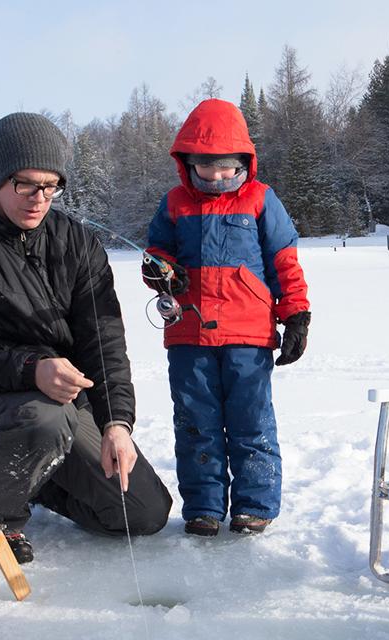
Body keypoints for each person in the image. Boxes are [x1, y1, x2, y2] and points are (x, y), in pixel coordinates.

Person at [0, 112, 173, 564]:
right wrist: (32, 369)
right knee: (44, 417)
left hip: (65, 409)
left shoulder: (78, 244)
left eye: (51, 186)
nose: (39, 199)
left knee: (144, 513)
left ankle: (33, 475)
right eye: (26, 184)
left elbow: (103, 344)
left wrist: (116, 424)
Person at [144, 98, 310, 537]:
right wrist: (158, 269)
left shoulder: (260, 199)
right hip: (188, 335)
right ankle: (203, 507)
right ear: (188, 164)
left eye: (227, 167)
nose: (217, 176)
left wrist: (297, 315)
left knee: (251, 422)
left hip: (248, 336)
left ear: (244, 162)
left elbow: (283, 262)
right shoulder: (175, 202)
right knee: (196, 423)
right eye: (206, 167)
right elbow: (157, 254)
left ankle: (254, 505)